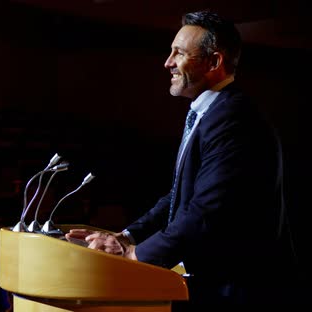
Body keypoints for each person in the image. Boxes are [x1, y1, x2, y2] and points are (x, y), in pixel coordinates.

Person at [66, 10, 301, 309]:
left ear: (214, 62)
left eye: (179, 53)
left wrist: (136, 254)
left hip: (240, 291)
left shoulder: (233, 119)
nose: (168, 63)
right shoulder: (210, 113)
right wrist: (126, 236)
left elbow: (207, 210)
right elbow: (180, 197)